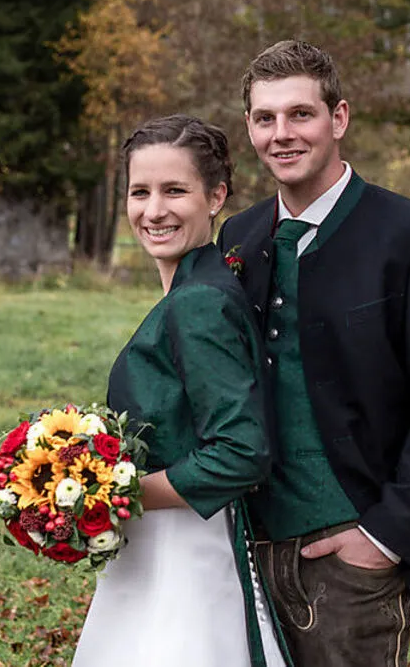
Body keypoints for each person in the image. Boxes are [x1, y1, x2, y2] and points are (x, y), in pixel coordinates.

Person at [216, 40, 410, 666]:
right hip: (246, 551)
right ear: (250, 127)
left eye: (300, 114)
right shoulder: (239, 236)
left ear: (338, 118)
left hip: (353, 553)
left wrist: (383, 538)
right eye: (265, 118)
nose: (282, 134)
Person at [73, 114, 289, 667]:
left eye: (174, 190)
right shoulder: (195, 287)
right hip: (159, 552)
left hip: (188, 555)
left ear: (216, 196)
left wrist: (114, 493)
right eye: (139, 192)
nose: (153, 210)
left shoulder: (200, 303)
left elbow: (241, 452)